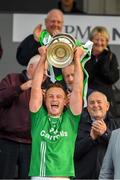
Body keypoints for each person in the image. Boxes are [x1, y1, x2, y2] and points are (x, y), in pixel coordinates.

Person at [29, 45, 84, 179]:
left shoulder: (70, 119)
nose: (54, 99)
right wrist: (43, 58)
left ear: (66, 101)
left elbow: (77, 89)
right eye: (50, 96)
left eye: (59, 97)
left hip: (63, 176)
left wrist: (77, 59)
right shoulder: (38, 118)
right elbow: (35, 87)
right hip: (40, 175)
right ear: (45, 100)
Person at [0, 54, 42, 179]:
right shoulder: (12, 79)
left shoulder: (45, 87)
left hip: (31, 143)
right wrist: (21, 88)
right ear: (31, 68)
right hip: (7, 140)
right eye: (42, 69)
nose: (45, 73)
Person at [73, 91, 118, 179]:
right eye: (92, 103)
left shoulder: (116, 125)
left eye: (99, 102)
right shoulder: (78, 125)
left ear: (107, 106)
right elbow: (72, 153)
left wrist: (105, 133)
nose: (95, 105)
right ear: (87, 108)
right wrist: (91, 138)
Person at [85, 26, 119, 111]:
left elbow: (112, 78)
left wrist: (103, 61)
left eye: (102, 40)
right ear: (91, 41)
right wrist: (97, 64)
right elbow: (86, 78)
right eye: (96, 39)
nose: (99, 43)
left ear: (107, 42)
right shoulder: (85, 56)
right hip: (88, 97)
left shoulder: (111, 56)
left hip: (106, 97)